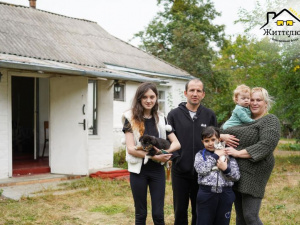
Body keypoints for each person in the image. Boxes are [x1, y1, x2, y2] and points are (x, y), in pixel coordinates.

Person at [122, 82, 181, 225]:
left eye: (152, 97)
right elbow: (131, 148)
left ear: (156, 98)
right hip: (138, 171)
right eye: (145, 97)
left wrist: (164, 152)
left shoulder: (161, 118)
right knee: (140, 214)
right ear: (139, 99)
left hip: (157, 172)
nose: (149, 100)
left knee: (158, 215)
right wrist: (155, 157)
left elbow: (176, 143)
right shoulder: (130, 118)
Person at [222, 87, 280, 225]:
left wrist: (237, 153)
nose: (254, 103)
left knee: (250, 216)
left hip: (255, 173)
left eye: (258, 100)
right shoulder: (242, 119)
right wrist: (221, 135)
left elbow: (266, 144)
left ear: (266, 103)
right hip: (236, 173)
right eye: (251, 99)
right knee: (240, 218)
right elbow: (219, 131)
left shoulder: (269, 120)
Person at [167, 78, 217, 225]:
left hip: (203, 172)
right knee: (180, 211)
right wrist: (177, 159)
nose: (195, 94)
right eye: (192, 90)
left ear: (203, 94)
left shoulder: (209, 115)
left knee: (200, 210)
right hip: (180, 171)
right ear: (185, 93)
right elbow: (169, 138)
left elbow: (216, 140)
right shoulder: (173, 115)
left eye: (198, 91)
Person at [194, 126, 240, 225]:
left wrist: (225, 169)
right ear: (202, 142)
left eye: (213, 140)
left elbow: (236, 176)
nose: (210, 143)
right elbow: (201, 170)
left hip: (225, 194)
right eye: (207, 141)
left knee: (222, 222)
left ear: (219, 139)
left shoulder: (229, 155)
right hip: (206, 194)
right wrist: (215, 156)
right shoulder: (200, 155)